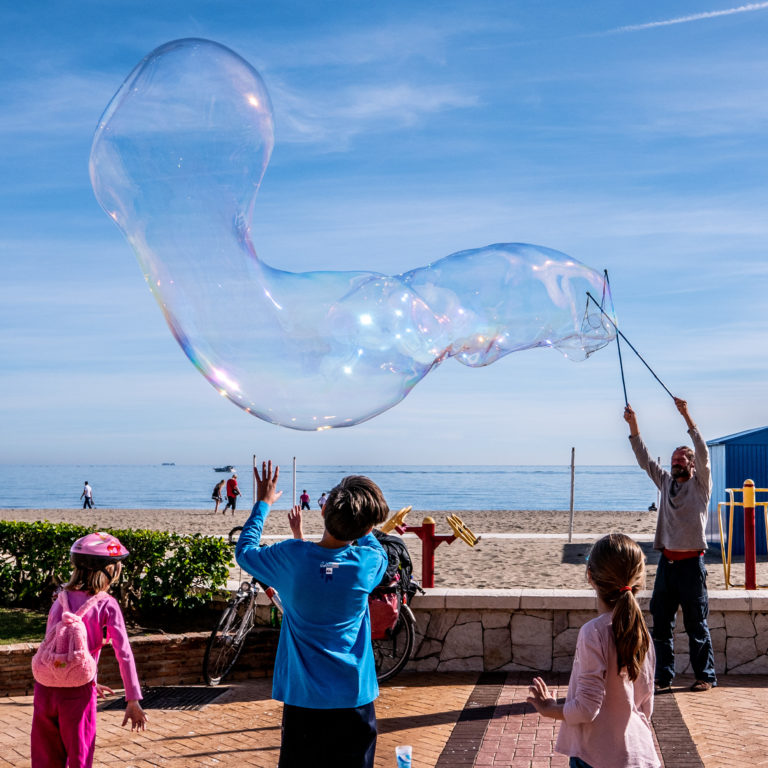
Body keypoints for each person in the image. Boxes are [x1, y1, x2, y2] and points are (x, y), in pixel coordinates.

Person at [236, 461, 388, 768]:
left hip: (303, 703)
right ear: (367, 528)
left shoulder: (292, 557)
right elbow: (374, 544)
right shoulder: (367, 563)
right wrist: (364, 527)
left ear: (323, 511)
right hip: (354, 700)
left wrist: (263, 504)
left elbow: (245, 551)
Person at [527, 533, 659, 768]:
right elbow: (645, 703)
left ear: (590, 577)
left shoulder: (594, 632)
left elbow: (587, 709)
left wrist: (549, 709)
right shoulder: (641, 632)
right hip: (640, 753)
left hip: (597, 756)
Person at [624, 397, 717, 693]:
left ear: (690, 466)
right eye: (674, 461)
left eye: (680, 462)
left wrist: (687, 415)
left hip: (692, 566)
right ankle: (664, 677)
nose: (675, 465)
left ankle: (706, 676)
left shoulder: (701, 486)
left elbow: (702, 452)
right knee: (661, 626)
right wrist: (633, 425)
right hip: (667, 565)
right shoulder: (665, 483)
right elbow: (644, 459)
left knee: (696, 626)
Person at [31, 532, 146, 768]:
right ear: (109, 570)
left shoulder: (59, 598)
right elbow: (123, 653)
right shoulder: (106, 603)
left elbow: (58, 648)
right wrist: (132, 699)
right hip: (78, 694)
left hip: (45, 689)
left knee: (45, 758)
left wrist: (90, 678)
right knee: (79, 756)